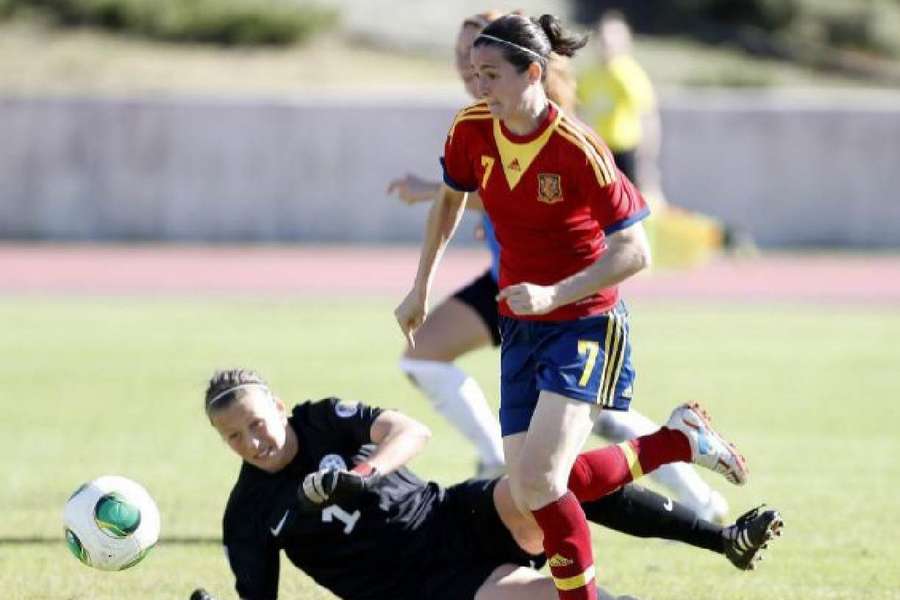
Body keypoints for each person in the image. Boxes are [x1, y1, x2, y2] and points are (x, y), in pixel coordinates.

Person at [394, 13, 751, 599]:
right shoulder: (470, 128)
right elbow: (453, 199)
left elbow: (636, 251)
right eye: (472, 73)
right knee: (532, 492)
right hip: (520, 327)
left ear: (534, 72)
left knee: (540, 480)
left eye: (491, 74)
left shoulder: (578, 146)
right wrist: (420, 286)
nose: (478, 86)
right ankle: (678, 441)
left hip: (586, 322)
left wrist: (554, 293)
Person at [199, 369, 783, 600]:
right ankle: (676, 443)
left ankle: (721, 535)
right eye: (233, 438)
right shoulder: (248, 514)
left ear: (276, 407)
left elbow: (411, 429)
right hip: (431, 589)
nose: (253, 442)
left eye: (256, 423)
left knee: (542, 483)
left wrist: (361, 474)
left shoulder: (320, 416)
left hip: (452, 515)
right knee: (560, 599)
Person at [578, 10, 755, 269]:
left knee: (648, 209)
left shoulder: (628, 75)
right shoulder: (589, 76)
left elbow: (647, 117)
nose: (606, 45)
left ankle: (722, 236)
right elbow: (581, 113)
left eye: (612, 40)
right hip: (599, 154)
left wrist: (647, 158)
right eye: (602, 39)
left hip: (627, 151)